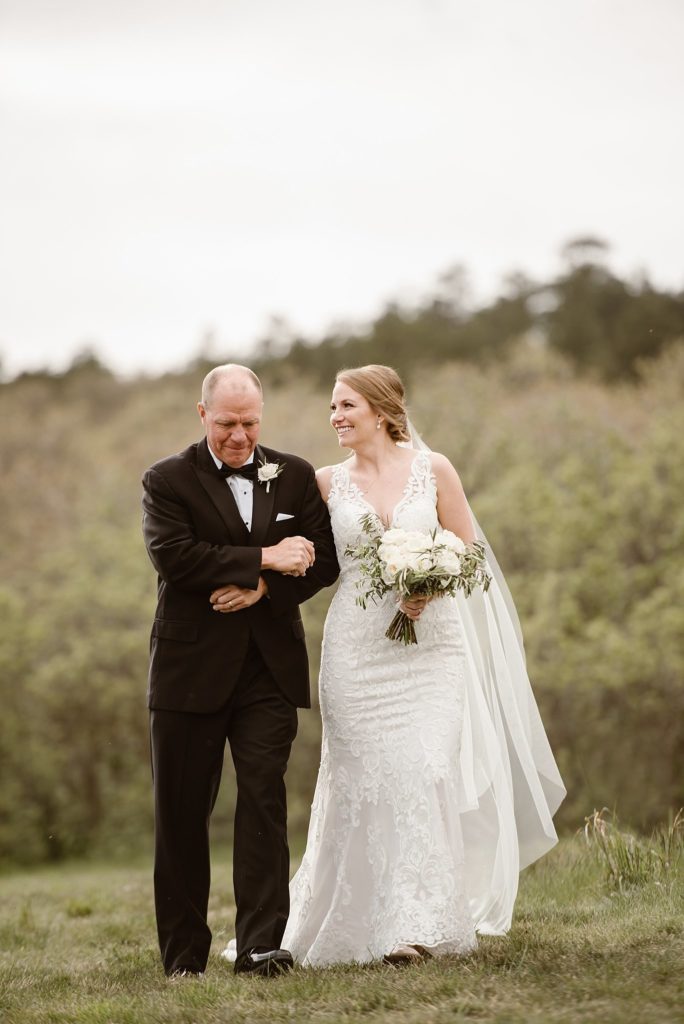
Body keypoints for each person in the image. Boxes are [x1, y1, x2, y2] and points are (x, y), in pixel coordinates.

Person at [268, 364, 565, 966]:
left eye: (347, 405)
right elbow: (304, 558)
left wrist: (431, 579)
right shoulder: (324, 483)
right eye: (332, 407)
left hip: (432, 647)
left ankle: (415, 926)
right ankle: (353, 918)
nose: (336, 417)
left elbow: (470, 549)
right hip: (356, 650)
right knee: (361, 777)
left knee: (426, 769)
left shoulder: (435, 470)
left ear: (381, 411)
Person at [141, 363, 339, 977]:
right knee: (182, 814)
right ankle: (183, 957)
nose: (239, 436)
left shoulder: (295, 474)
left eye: (250, 423)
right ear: (203, 414)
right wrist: (267, 557)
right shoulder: (167, 479)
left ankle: (259, 947)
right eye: (226, 423)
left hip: (268, 670)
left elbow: (324, 561)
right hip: (188, 672)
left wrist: (264, 586)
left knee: (263, 800)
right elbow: (176, 557)